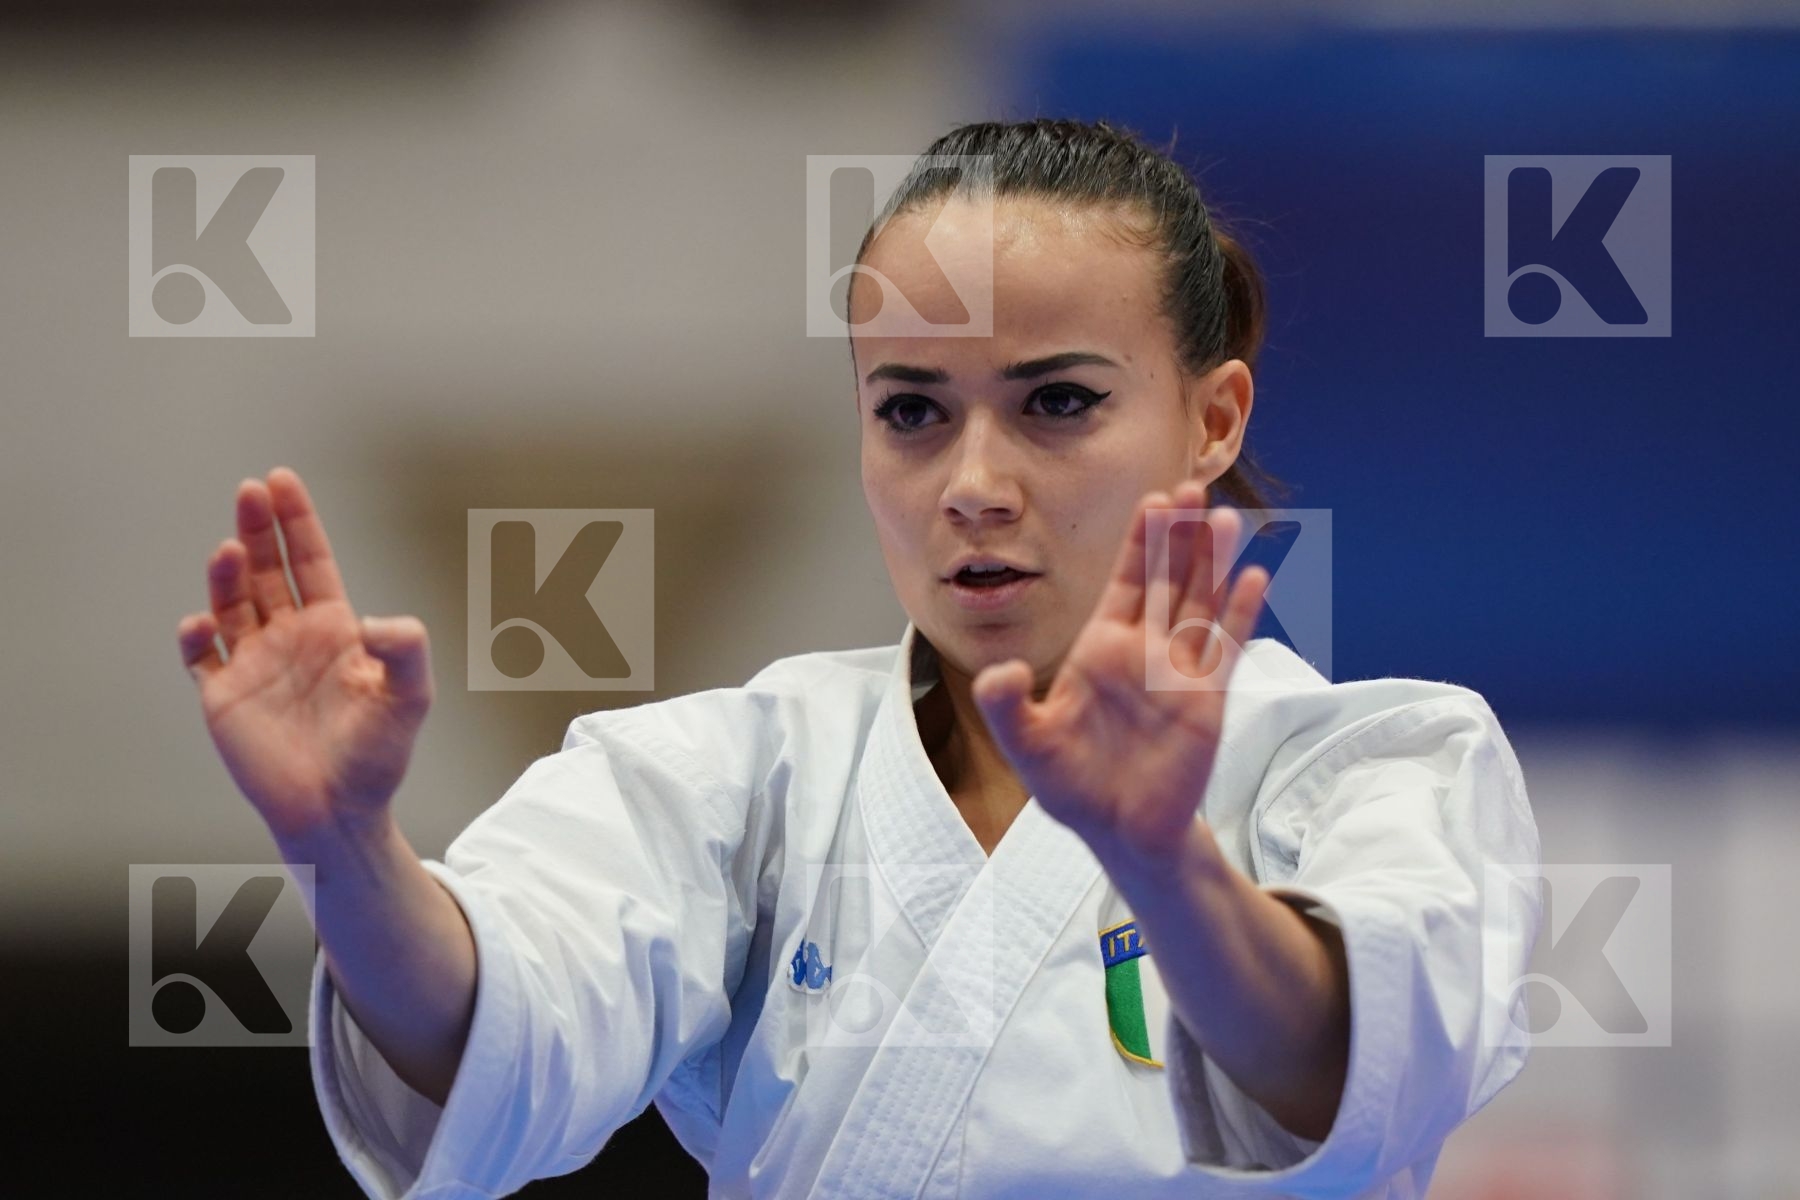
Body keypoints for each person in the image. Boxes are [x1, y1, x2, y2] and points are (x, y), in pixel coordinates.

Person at [177, 118, 1543, 1199]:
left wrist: (1162, 864)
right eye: (911, 412)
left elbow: (1350, 1080)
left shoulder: (1384, 761)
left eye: (1059, 401)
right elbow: (493, 1042)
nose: (975, 485)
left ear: (1213, 418)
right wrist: (345, 845)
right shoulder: (737, 771)